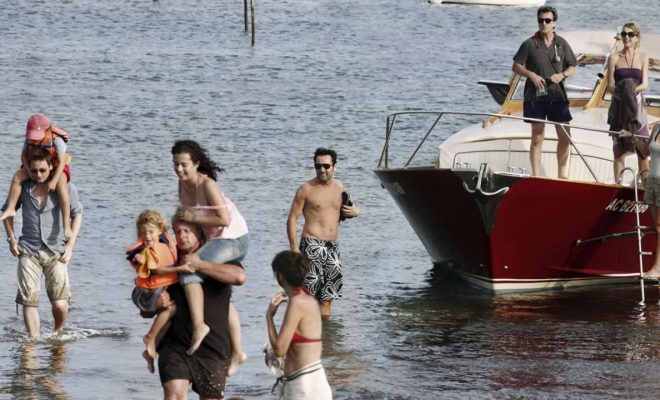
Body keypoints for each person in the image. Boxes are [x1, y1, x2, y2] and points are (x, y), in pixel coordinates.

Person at [172, 139, 249, 373]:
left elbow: (223, 221)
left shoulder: (208, 185)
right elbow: (189, 219)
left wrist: (192, 218)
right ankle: (237, 352)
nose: (179, 169)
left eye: (184, 164)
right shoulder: (182, 185)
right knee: (221, 292)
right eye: (175, 164)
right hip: (213, 239)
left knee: (189, 272)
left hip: (234, 239)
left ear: (196, 164)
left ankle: (199, 326)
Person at [156, 217, 246, 400]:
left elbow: (239, 277)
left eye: (187, 231)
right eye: (177, 232)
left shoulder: (218, 256)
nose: (182, 236)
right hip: (176, 344)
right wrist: (155, 304)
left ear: (200, 233)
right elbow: (144, 306)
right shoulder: (169, 260)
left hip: (213, 346)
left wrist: (200, 265)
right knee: (174, 395)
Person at [2, 147, 83, 337]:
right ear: (29, 169)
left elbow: (77, 214)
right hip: (28, 250)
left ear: (50, 167)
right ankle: (34, 341)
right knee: (29, 299)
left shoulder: (65, 188)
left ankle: (57, 331)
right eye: (34, 170)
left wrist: (70, 246)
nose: (38, 174)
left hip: (56, 251)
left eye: (43, 170)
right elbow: (7, 212)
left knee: (60, 304)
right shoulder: (23, 187)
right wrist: (11, 239)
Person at [287, 148, 360, 317]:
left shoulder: (339, 187)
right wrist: (294, 248)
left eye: (326, 166)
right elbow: (292, 219)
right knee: (309, 297)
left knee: (328, 298)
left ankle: (326, 338)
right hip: (312, 245)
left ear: (334, 167)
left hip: (332, 248)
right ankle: (306, 337)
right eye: (318, 166)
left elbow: (342, 212)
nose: (322, 170)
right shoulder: (306, 189)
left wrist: (356, 213)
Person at [512, 6, 577, 179]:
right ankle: (536, 176)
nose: (544, 23)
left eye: (547, 20)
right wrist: (530, 74)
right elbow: (516, 65)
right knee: (537, 137)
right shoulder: (530, 43)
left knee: (565, 137)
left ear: (554, 23)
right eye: (541, 20)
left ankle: (562, 175)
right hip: (535, 97)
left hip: (558, 97)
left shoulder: (561, 43)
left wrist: (562, 75)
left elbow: (572, 68)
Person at [126, 210, 193, 367]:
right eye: (143, 232)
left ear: (161, 230)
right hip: (145, 293)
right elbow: (155, 270)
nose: (147, 236)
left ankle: (151, 349)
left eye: (151, 232)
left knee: (168, 321)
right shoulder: (145, 251)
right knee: (172, 309)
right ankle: (150, 338)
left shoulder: (165, 242)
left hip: (155, 291)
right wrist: (180, 269)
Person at [266, 250, 332, 400]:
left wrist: (269, 316)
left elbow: (280, 350)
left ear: (280, 276)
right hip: (316, 382)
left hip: (304, 387)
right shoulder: (308, 297)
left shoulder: (296, 303)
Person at [0, 114, 73, 238]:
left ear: (47, 130)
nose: (35, 139)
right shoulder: (28, 140)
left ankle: (66, 224)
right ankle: (11, 208)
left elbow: (61, 162)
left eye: (37, 135)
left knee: (62, 185)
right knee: (17, 176)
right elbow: (23, 156)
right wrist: (28, 171)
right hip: (34, 166)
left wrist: (54, 180)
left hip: (55, 166)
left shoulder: (56, 139)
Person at [607, 22, 650, 182]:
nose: (626, 37)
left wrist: (631, 94)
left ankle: (645, 187)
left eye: (630, 34)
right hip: (619, 106)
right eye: (624, 34)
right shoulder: (614, 57)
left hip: (638, 106)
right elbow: (610, 86)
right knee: (619, 151)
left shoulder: (643, 57)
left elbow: (645, 84)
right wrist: (623, 96)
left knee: (642, 151)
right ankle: (618, 185)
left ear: (637, 38)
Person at [643, 124, 660, 280]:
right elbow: (645, 151)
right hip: (651, 182)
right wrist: (632, 136)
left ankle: (657, 268)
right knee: (657, 226)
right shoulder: (656, 128)